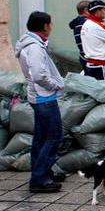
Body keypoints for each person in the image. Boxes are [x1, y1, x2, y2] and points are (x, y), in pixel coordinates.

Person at [15, 11, 65, 193]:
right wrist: (56, 85)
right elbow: (38, 75)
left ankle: (43, 172)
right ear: (44, 26)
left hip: (39, 96)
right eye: (50, 24)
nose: (51, 27)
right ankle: (39, 178)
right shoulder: (35, 47)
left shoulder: (30, 43)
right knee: (55, 136)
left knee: (41, 138)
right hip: (45, 97)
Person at [81, 0, 105, 80]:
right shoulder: (96, 26)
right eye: (103, 9)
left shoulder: (86, 24)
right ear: (97, 11)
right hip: (101, 64)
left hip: (91, 63)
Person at [68, 0, 90, 73]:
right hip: (90, 58)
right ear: (86, 10)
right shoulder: (86, 23)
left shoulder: (77, 24)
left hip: (83, 56)